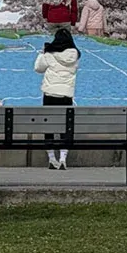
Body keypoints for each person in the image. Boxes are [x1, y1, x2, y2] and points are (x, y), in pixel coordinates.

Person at [34, 24, 80, 169]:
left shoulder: (49, 55)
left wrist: (42, 53)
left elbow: (38, 68)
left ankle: (52, 158)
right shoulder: (75, 56)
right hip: (66, 95)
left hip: (50, 95)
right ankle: (63, 159)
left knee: (49, 126)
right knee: (64, 127)